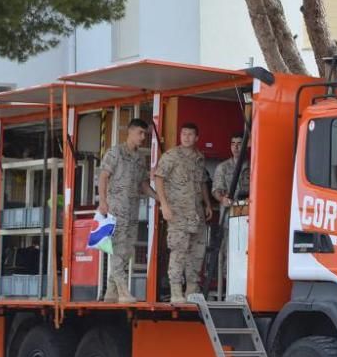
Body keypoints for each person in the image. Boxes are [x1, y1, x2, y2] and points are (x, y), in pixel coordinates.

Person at [98, 118, 156, 303]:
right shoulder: (115, 152)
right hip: (115, 208)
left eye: (144, 134)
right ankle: (123, 290)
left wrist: (159, 198)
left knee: (127, 249)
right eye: (140, 133)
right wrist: (103, 202)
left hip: (132, 210)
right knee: (117, 247)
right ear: (129, 132)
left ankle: (111, 291)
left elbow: (143, 184)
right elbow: (103, 177)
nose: (142, 137)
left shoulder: (140, 157)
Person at [154, 122, 212, 304]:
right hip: (177, 213)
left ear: (197, 138)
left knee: (197, 251)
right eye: (183, 134)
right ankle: (176, 291)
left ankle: (192, 291)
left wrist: (208, 204)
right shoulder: (171, 156)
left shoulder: (199, 158)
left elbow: (202, 182)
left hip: (197, 213)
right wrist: (164, 205)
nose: (186, 137)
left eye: (190, 134)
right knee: (178, 251)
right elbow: (159, 178)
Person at [211, 132, 250, 292]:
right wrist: (223, 199)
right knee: (227, 255)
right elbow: (216, 190)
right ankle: (228, 289)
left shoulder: (253, 166)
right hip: (229, 219)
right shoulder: (223, 167)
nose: (235, 147)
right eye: (233, 143)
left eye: (239, 143)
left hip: (249, 219)